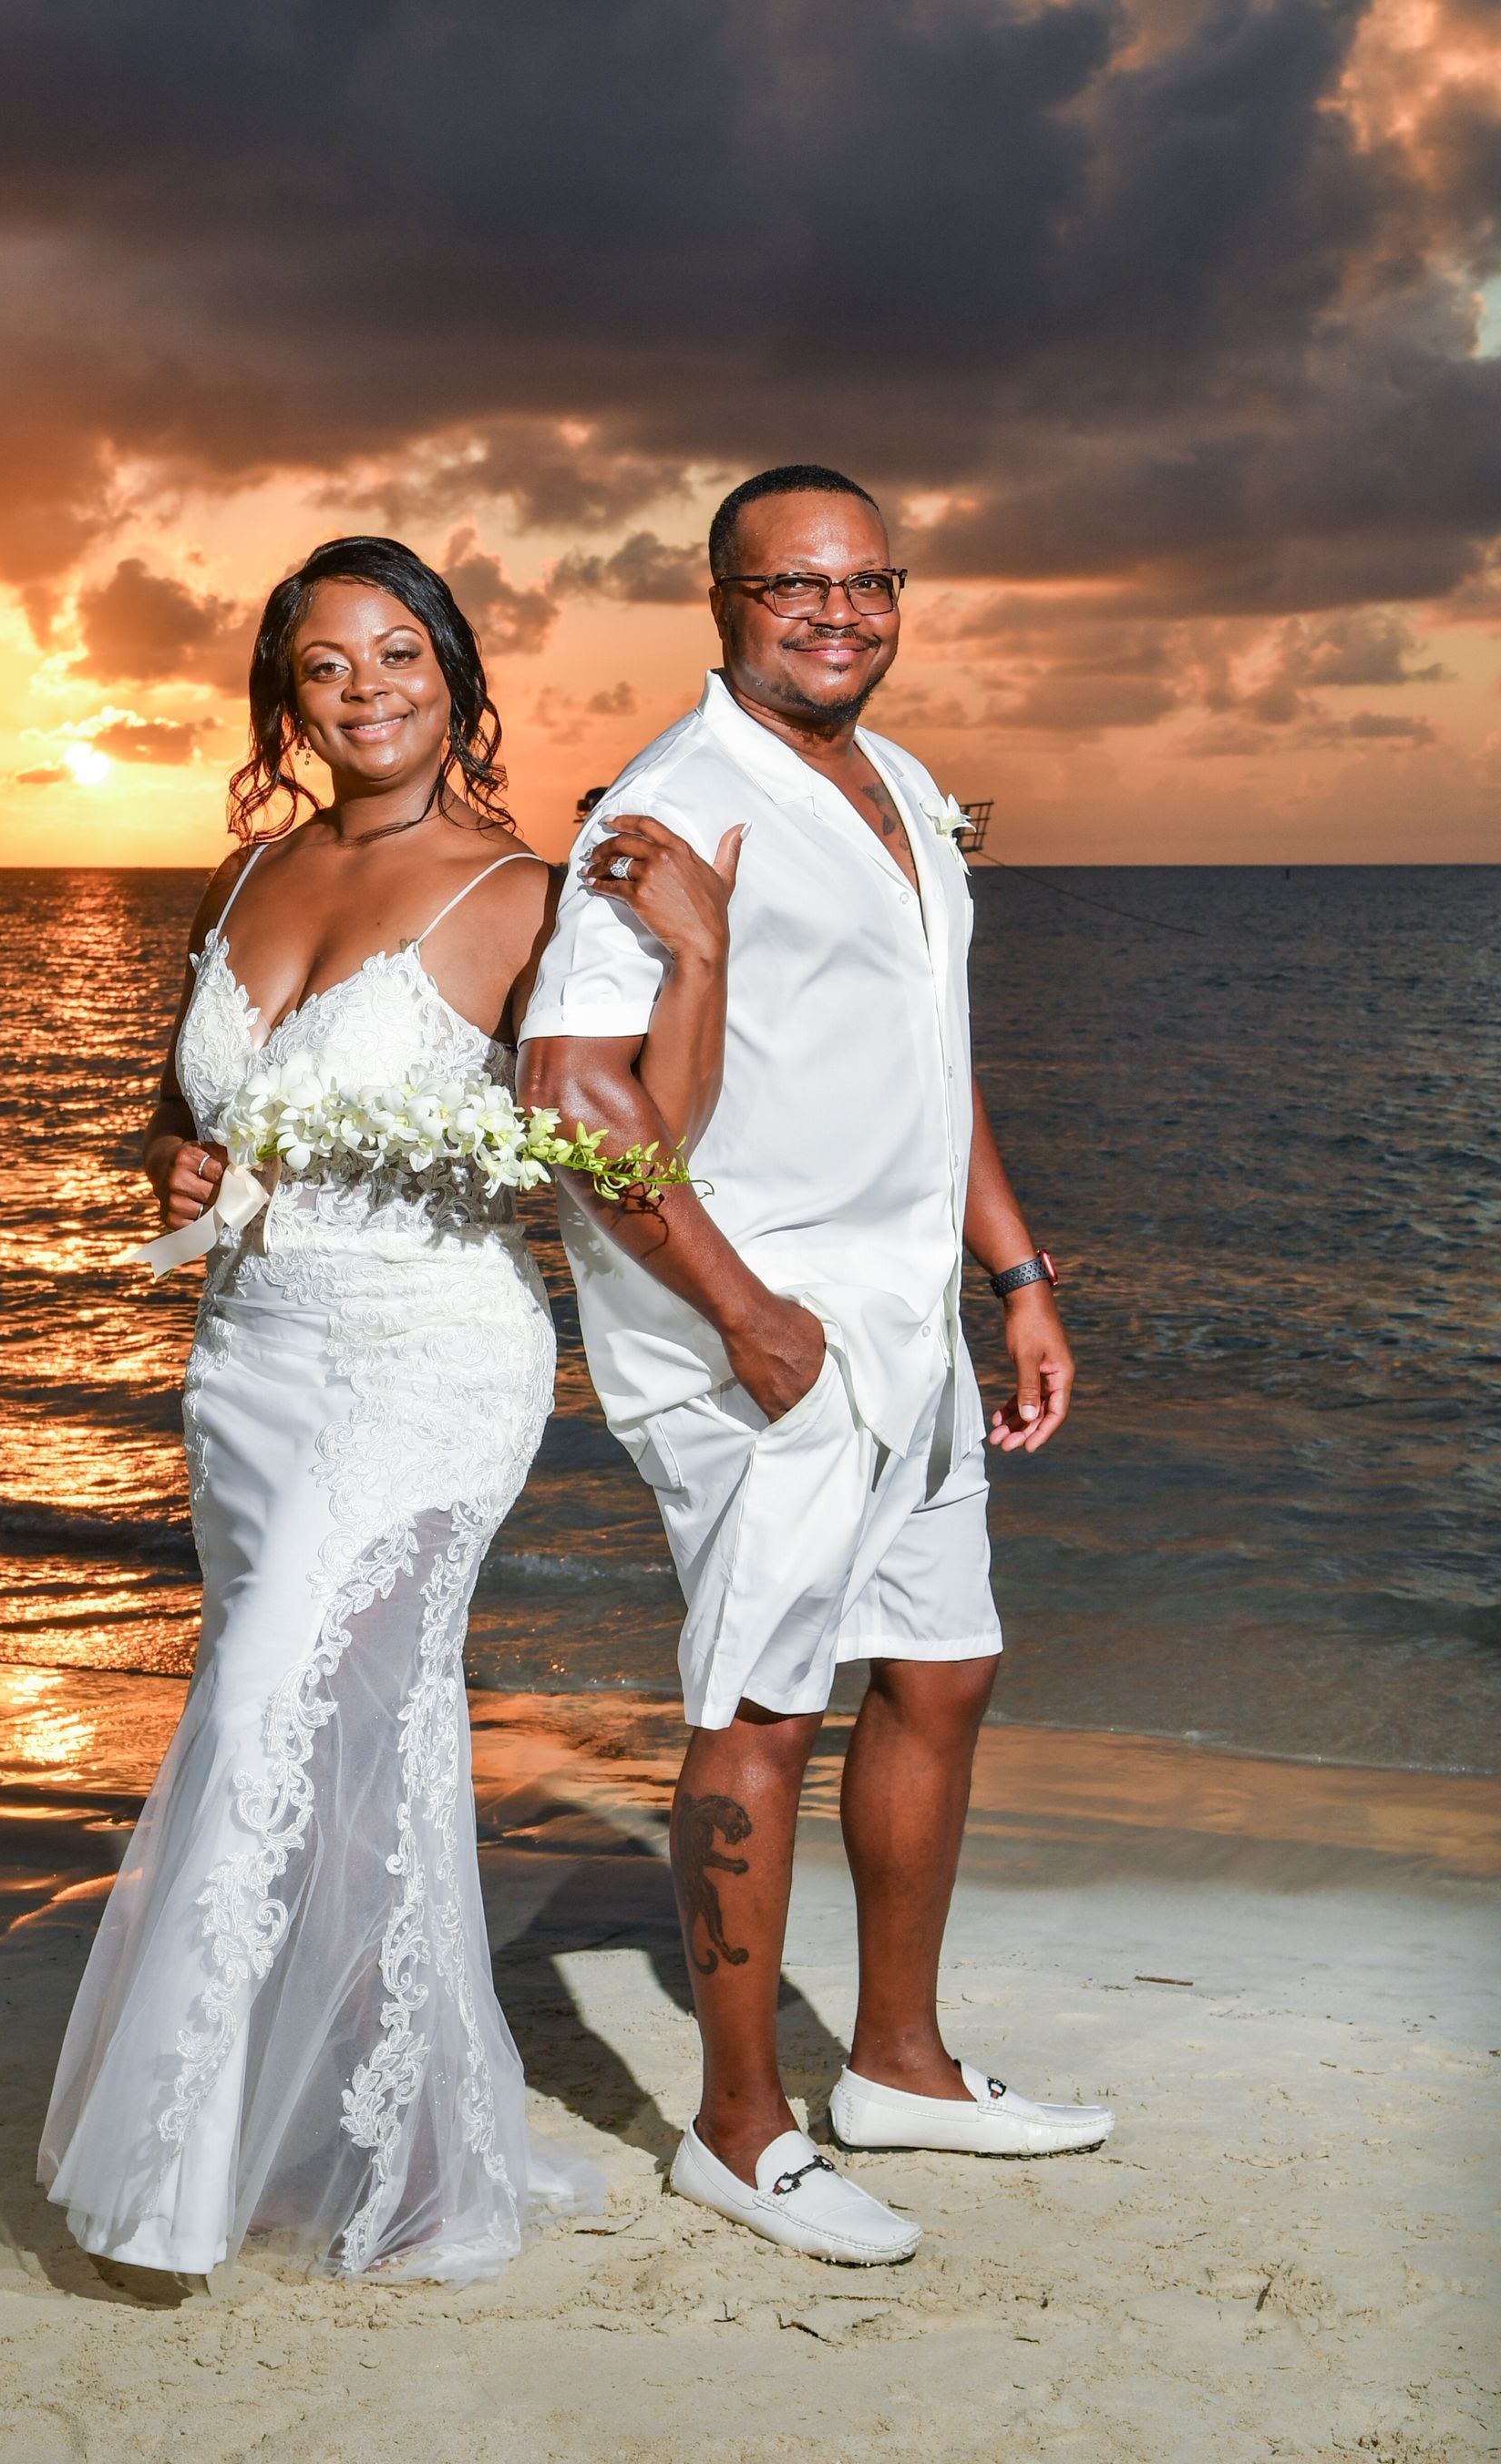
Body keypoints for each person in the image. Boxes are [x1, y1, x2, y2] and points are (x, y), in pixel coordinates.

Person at [39, 536, 735, 2284]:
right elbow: (175, 1108)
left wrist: (699, 961)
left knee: (277, 1707)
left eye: (398, 654)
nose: (365, 690)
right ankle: (397, 2143)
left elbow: (634, 1144)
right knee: (351, 1750)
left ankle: (177, 2182)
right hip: (247, 1366)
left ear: (456, 671)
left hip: (427, 1364)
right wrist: (175, 1152)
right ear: (288, 695)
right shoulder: (247, 876)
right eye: (327, 664)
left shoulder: (522, 890)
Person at [519, 465, 1114, 2268]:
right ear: (722, 597)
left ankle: (903, 2068)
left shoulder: (902, 781)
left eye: (868, 582)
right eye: (797, 584)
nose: (839, 612)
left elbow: (931, 1061)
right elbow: (569, 1095)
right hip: (757, 1339)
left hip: (901, 1321)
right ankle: (737, 2125)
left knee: (941, 1670)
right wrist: (743, 1311)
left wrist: (1010, 1270)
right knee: (762, 1711)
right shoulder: (674, 801)